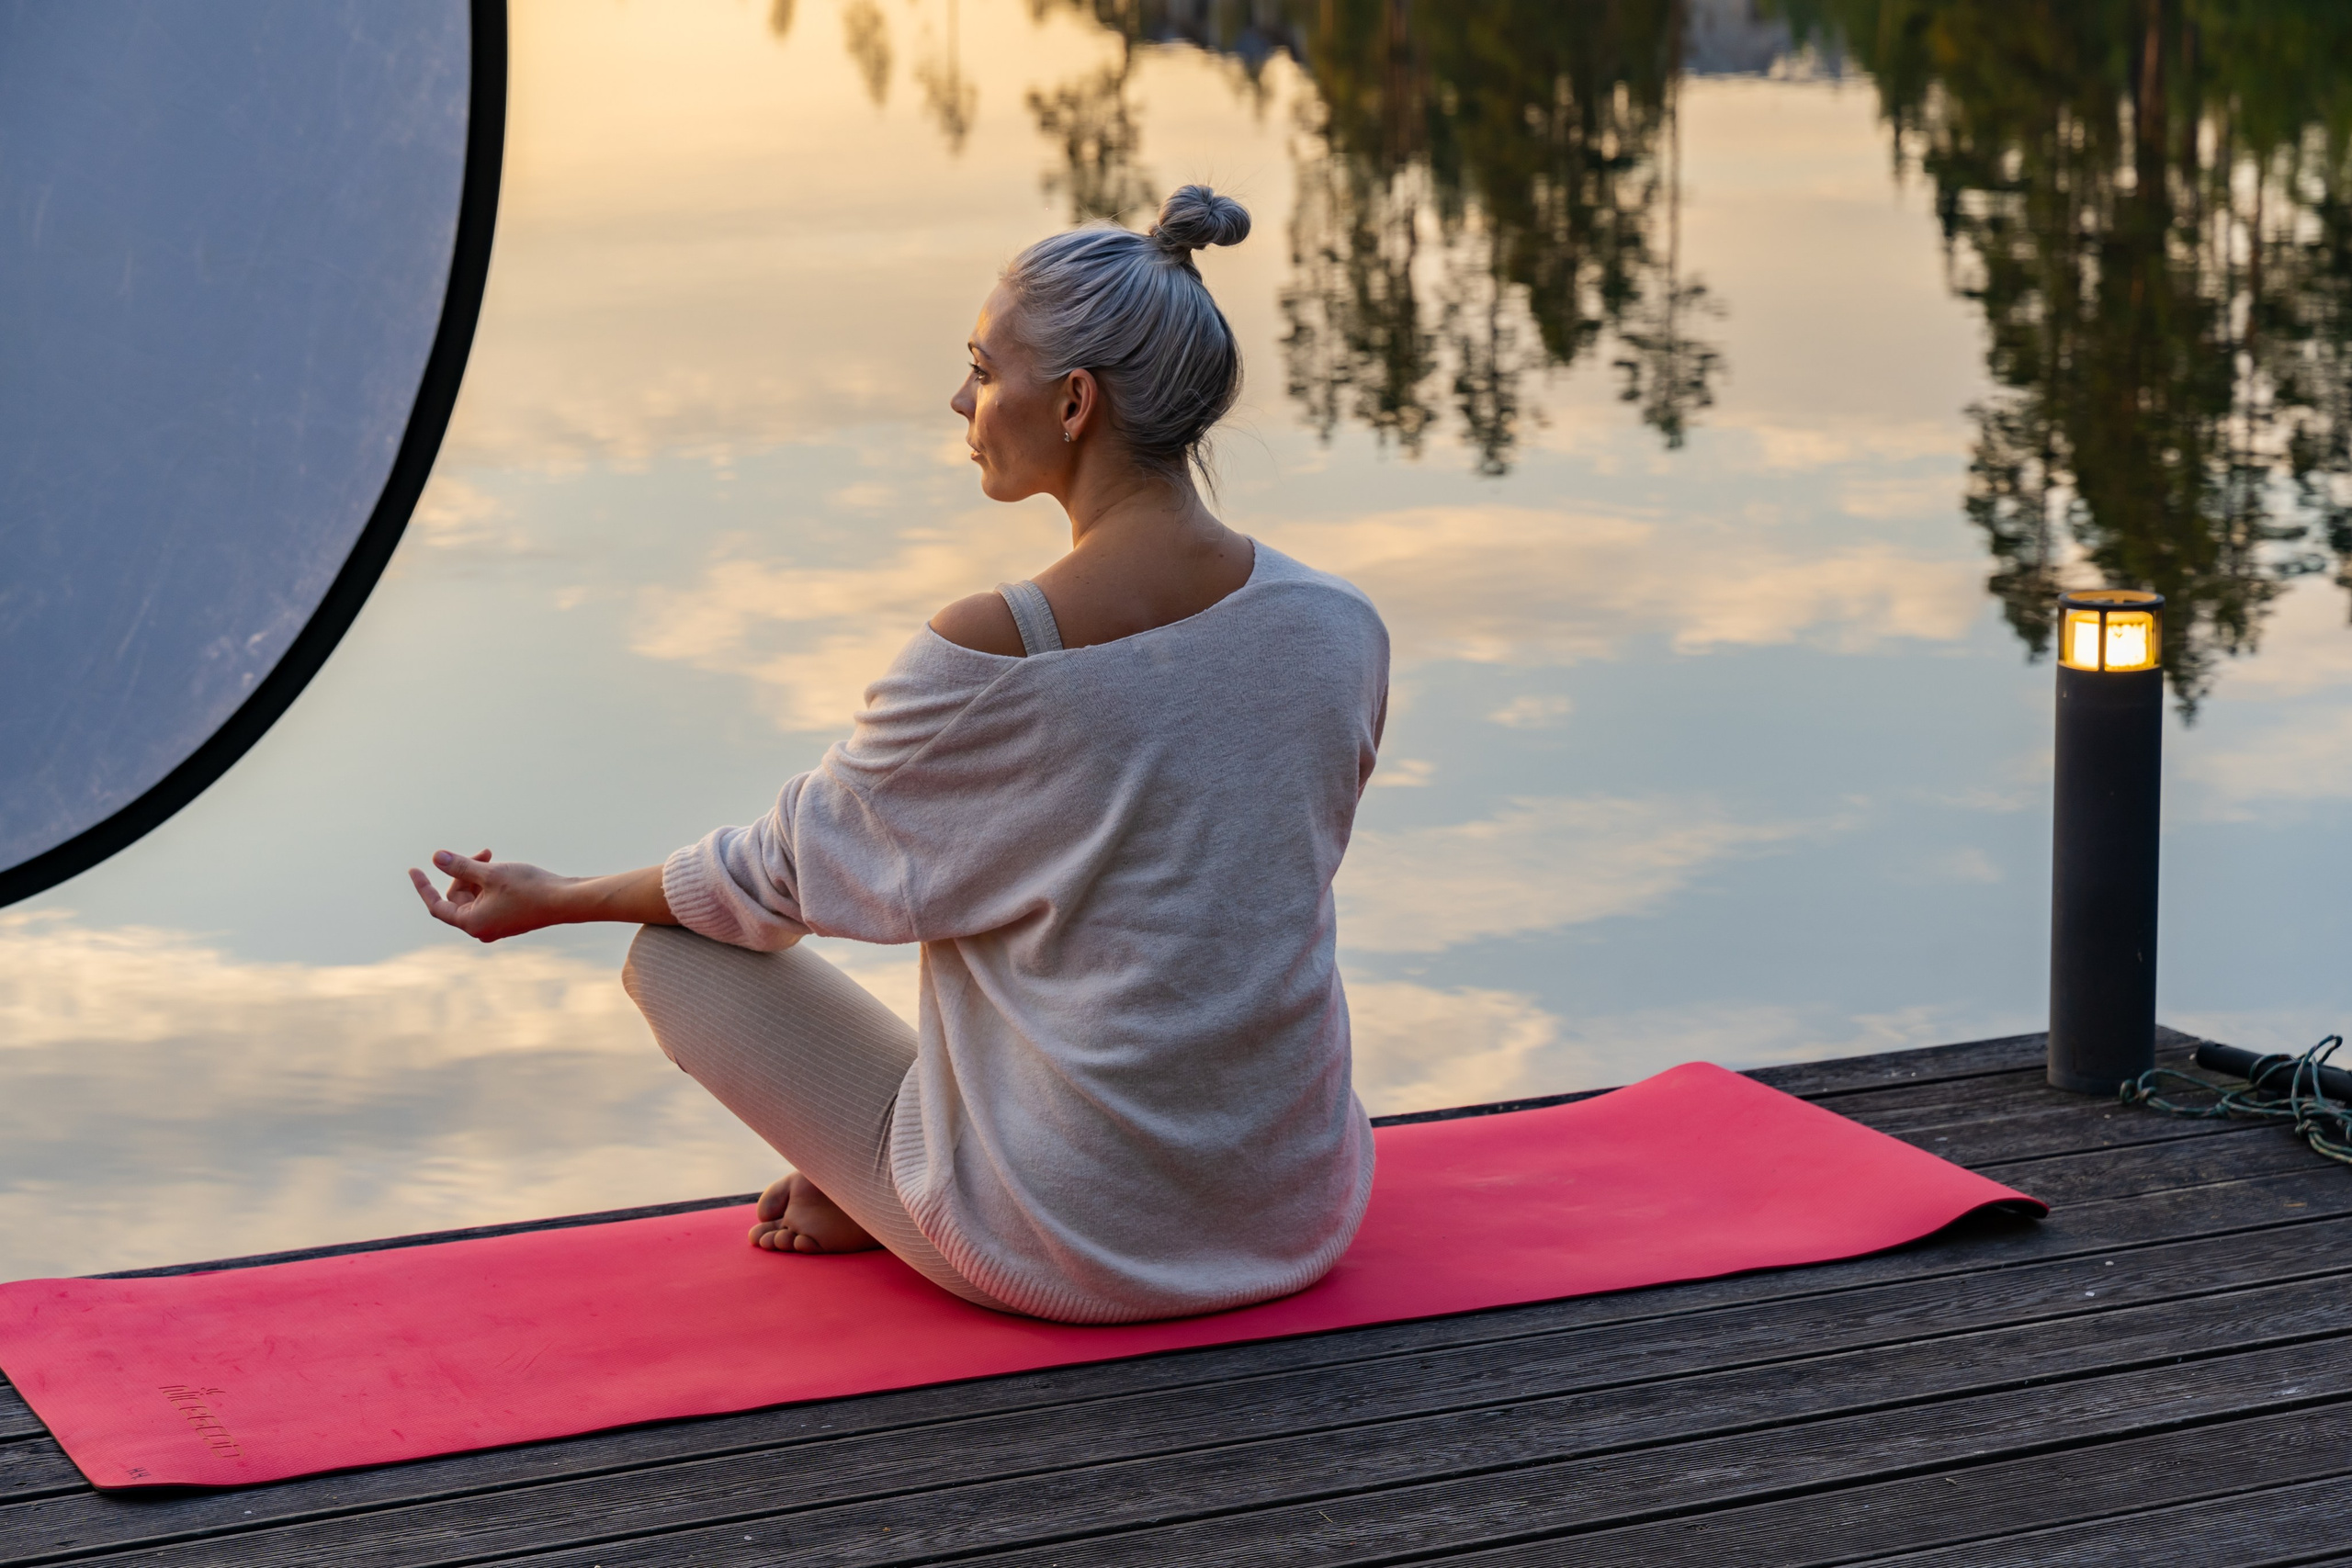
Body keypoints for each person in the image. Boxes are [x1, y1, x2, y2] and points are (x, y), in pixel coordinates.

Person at [410, 186, 1391, 1325]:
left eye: (983, 369)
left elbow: (770, 888)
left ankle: (897, 1196)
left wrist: (559, 897)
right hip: (1292, 1210)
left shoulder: (992, 657)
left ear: (1074, 403)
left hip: (1072, 1243)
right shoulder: (1337, 626)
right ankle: (886, 1174)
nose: (960, 400)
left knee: (679, 960)